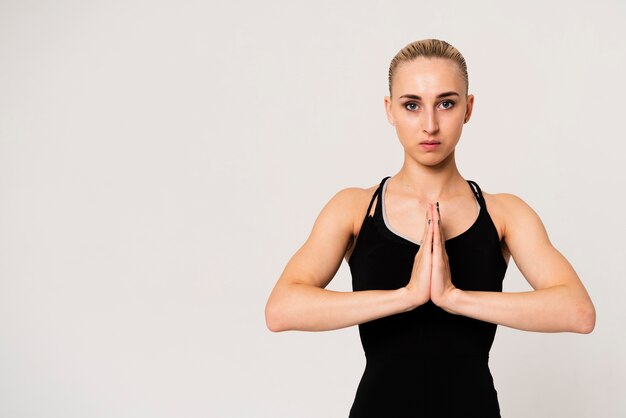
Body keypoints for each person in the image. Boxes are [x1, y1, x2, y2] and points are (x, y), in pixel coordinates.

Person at [264, 39, 596, 417]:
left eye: (446, 103)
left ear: (468, 108)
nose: (430, 125)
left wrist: (454, 298)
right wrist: (406, 296)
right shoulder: (355, 209)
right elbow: (282, 309)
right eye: (412, 105)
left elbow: (578, 312)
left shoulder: (505, 214)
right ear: (390, 110)